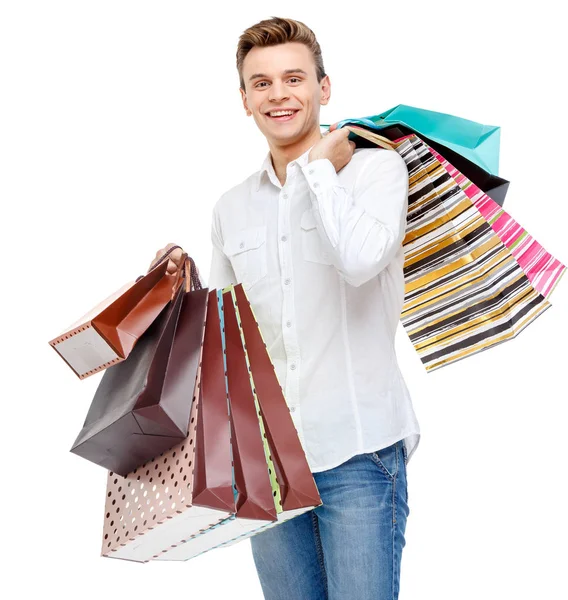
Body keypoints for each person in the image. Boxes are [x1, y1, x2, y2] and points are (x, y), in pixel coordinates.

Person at [150, 16, 420, 600]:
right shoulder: (231, 207)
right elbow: (228, 336)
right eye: (263, 83)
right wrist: (179, 288)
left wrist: (318, 168)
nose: (279, 94)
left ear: (323, 88)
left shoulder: (377, 172)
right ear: (244, 99)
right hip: (269, 462)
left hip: (360, 453)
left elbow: (356, 260)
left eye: (294, 78)